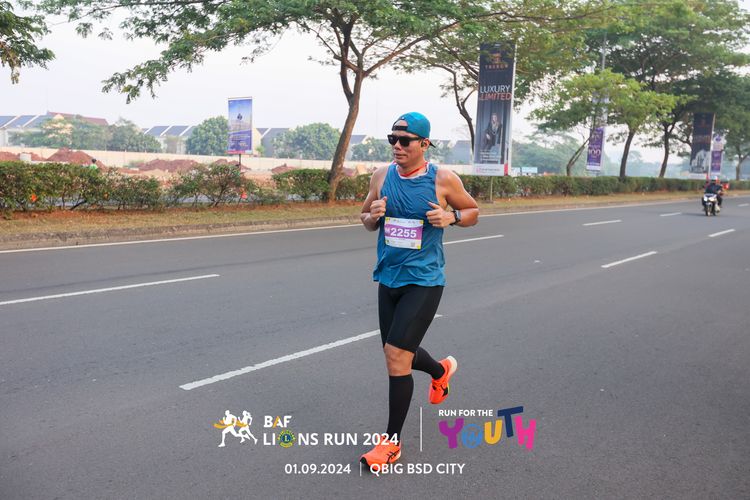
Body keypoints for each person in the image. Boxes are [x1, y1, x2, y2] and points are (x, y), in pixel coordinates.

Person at [359, 112, 479, 471]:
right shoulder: (381, 176)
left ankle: (391, 444)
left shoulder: (442, 179)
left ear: (424, 144)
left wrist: (451, 218)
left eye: (405, 140)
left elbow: (473, 210)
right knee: (399, 354)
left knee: (396, 355)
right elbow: (364, 220)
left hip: (424, 280)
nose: (396, 146)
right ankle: (440, 370)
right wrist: (373, 216)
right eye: (392, 139)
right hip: (388, 278)